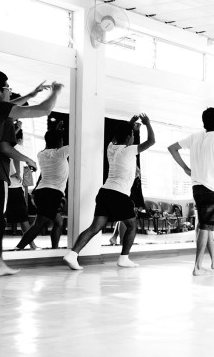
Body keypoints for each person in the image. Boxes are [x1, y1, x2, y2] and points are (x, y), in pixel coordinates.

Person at [0, 69, 62, 297]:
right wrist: (56, 91)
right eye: (7, 88)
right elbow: (43, 110)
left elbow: (7, 106)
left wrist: (31, 93)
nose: (10, 91)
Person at [63, 114, 155, 271]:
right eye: (132, 135)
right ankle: (124, 258)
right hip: (119, 194)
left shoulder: (111, 148)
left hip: (105, 192)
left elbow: (117, 136)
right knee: (132, 225)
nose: (133, 138)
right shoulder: (129, 150)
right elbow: (151, 141)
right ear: (128, 137)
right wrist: (147, 124)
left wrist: (130, 123)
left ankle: (72, 254)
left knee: (95, 227)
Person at [168, 108, 214, 273]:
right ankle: (197, 266)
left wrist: (185, 168)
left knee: (207, 225)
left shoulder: (195, 137)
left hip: (197, 187)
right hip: (213, 188)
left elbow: (172, 148)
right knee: (205, 226)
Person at [16, 126, 69, 250]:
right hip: (52, 193)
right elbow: (75, 144)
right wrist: (61, 132)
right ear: (59, 141)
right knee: (39, 224)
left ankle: (54, 249)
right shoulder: (60, 153)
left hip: (42, 191)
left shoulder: (41, 154)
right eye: (61, 140)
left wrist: (59, 132)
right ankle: (18, 248)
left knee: (58, 222)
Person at [6, 127, 38, 250]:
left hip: (10, 184)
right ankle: (32, 244)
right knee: (23, 217)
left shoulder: (7, 146)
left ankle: (30, 244)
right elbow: (16, 158)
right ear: (20, 138)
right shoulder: (16, 147)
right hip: (13, 185)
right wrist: (18, 172)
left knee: (20, 217)